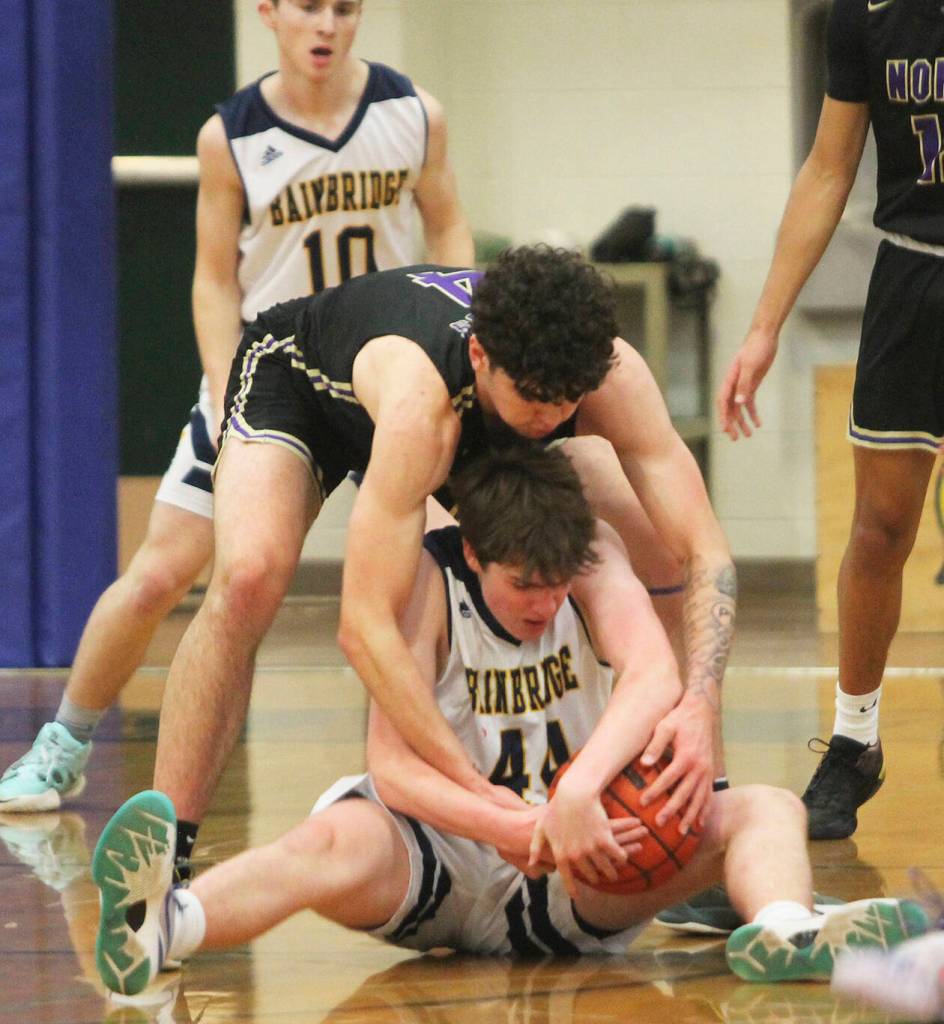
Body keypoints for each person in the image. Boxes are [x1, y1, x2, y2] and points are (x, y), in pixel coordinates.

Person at [89, 446, 926, 998]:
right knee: (324, 841)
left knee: (764, 808)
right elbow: (396, 769)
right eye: (525, 584)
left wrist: (581, 794)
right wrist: (515, 821)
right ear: (477, 553)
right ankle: (163, 928)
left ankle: (786, 929)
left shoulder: (586, 554)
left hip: (584, 876)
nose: (547, 601)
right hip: (441, 860)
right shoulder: (422, 583)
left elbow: (652, 673)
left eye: (558, 582)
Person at [0, 0, 472, 817]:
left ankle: (444, 761)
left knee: (444, 564)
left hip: (389, 375)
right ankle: (64, 742)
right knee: (163, 570)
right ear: (269, 14)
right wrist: (224, 389)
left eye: (345, 9)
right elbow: (214, 279)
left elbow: (450, 227)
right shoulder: (231, 136)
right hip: (277, 373)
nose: (326, 25)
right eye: (309, 8)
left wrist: (459, 329)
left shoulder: (413, 115)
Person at [145, 244, 734, 878]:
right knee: (248, 579)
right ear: (481, 357)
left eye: (569, 401)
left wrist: (699, 705)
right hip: (302, 381)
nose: (554, 418)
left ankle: (702, 813)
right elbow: (363, 627)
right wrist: (482, 799)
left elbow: (707, 553)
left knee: (658, 546)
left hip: (463, 414)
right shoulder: (421, 411)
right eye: (536, 398)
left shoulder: (609, 377)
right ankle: (162, 853)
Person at [715, 0, 944, 840]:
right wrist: (766, 323)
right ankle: (854, 743)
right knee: (881, 529)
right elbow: (826, 169)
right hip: (912, 280)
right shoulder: (864, 16)